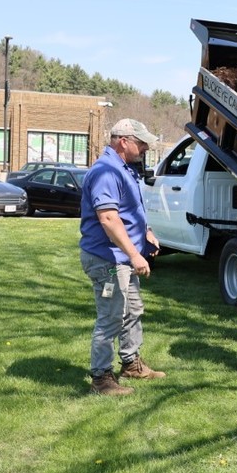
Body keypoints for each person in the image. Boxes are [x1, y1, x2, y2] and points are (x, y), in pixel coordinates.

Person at [80, 118, 165, 396]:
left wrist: (146, 232)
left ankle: (130, 363)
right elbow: (108, 218)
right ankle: (101, 379)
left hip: (122, 257)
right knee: (111, 317)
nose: (143, 148)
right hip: (108, 259)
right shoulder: (106, 171)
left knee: (133, 310)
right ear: (123, 141)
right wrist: (135, 255)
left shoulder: (123, 169)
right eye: (140, 143)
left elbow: (128, 212)